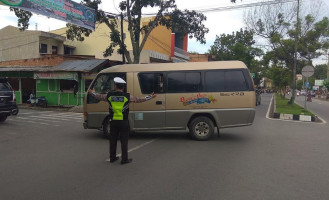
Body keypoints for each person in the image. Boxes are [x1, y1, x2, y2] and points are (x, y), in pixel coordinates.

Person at [88, 77, 156, 165]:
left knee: (113, 140)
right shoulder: (127, 96)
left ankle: (112, 158)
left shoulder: (109, 95)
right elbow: (139, 99)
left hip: (113, 122)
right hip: (124, 122)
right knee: (124, 141)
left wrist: (92, 92)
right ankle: (124, 159)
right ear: (123, 87)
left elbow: (99, 96)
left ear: (116, 86)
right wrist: (150, 96)